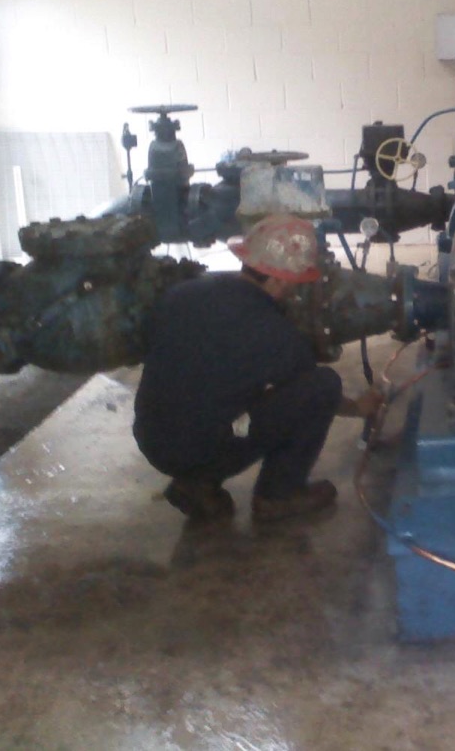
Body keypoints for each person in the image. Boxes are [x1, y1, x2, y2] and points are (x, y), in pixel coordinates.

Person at [133, 213, 381, 523]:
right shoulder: (276, 335)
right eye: (296, 283)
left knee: (212, 397)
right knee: (323, 385)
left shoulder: (183, 293)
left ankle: (196, 485)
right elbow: (311, 392)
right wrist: (358, 407)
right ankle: (278, 494)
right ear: (279, 280)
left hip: (151, 440)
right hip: (200, 450)